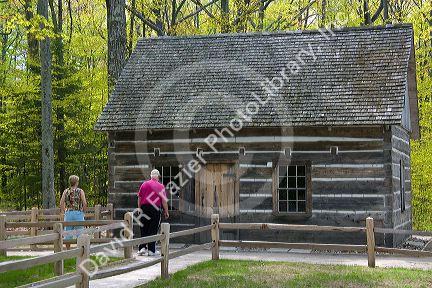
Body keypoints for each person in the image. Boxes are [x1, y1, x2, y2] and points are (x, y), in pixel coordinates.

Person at [137, 169, 169, 256]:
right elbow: (163, 201)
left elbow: (139, 198)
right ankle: (151, 250)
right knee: (153, 229)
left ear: (151, 176)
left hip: (144, 208)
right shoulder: (161, 186)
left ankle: (142, 248)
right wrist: (166, 211)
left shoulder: (144, 184)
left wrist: (139, 209)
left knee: (144, 228)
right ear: (158, 176)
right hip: (155, 209)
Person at [60, 175, 87, 249]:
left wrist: (64, 211)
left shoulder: (66, 191)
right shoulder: (80, 191)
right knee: (80, 232)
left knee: (68, 232)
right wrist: (83, 212)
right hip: (78, 213)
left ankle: (68, 250)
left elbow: (61, 203)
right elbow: (84, 203)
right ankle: (81, 250)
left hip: (68, 213)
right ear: (76, 182)